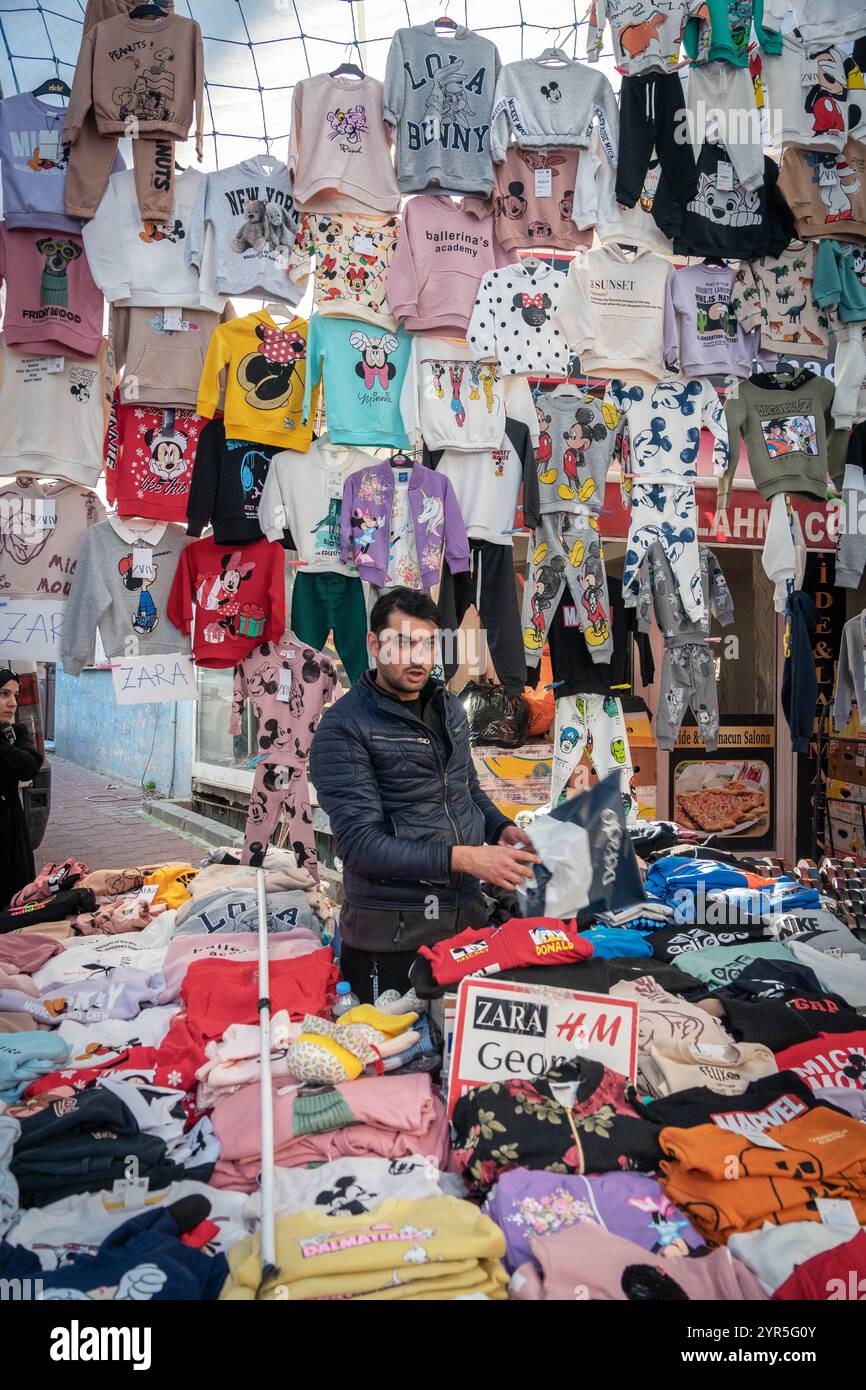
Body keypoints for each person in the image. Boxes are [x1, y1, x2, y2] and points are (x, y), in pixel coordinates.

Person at [309, 587, 540, 1002]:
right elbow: (360, 846)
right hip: (393, 935)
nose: (418, 658)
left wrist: (502, 829)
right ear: (374, 644)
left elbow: (466, 788)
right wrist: (466, 858)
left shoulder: (448, 706)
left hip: (466, 919)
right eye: (403, 643)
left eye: (428, 644)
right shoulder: (343, 727)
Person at [0, 668, 43, 909]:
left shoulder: (16, 732)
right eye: (4, 694)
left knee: (15, 891)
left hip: (11, 822)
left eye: (15, 695)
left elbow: (30, 765)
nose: (13, 703)